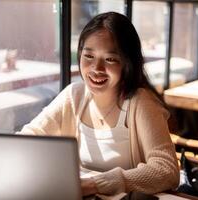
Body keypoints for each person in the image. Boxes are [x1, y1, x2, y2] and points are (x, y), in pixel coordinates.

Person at [20, 11, 179, 196]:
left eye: (110, 59)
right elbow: (28, 137)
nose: (97, 69)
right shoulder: (74, 96)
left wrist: (95, 184)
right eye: (89, 56)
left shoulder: (140, 102)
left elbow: (167, 170)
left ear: (127, 63)